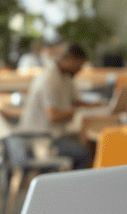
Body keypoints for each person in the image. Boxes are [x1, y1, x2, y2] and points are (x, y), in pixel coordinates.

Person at [16, 42, 100, 170]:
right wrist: (75, 111)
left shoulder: (66, 77)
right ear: (69, 59)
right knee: (84, 154)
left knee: (86, 144)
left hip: (54, 135)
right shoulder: (49, 79)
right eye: (79, 65)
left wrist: (97, 105)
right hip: (40, 139)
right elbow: (53, 116)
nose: (80, 69)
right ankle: (70, 187)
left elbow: (75, 101)